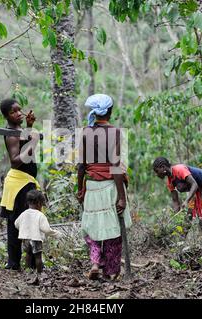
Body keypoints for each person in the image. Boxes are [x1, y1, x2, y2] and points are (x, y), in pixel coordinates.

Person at [77, 93, 132, 281]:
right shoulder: (114, 132)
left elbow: (81, 166)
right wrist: (121, 196)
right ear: (110, 111)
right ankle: (110, 271)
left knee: (92, 227)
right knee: (113, 230)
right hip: (109, 186)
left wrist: (79, 189)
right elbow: (115, 166)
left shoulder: (85, 132)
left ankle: (95, 262)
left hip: (91, 186)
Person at [0, 98, 40, 271]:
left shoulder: (19, 130)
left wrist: (29, 128)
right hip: (19, 183)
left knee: (31, 221)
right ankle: (14, 264)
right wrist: (33, 142)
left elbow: (25, 147)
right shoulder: (10, 134)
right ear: (7, 115)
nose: (18, 113)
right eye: (13, 111)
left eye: (19, 110)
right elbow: (16, 161)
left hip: (26, 181)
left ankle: (31, 263)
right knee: (15, 224)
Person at [152, 157, 202, 234]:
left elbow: (194, 184)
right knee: (189, 215)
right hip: (198, 190)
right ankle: (183, 240)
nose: (156, 174)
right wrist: (177, 216)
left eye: (157, 171)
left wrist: (186, 201)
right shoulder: (170, 182)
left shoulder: (179, 169)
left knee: (200, 213)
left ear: (163, 167)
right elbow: (175, 200)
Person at [14, 190, 62, 283]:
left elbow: (16, 223)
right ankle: (39, 273)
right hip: (36, 238)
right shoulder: (40, 215)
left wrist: (24, 229)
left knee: (28, 254)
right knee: (38, 256)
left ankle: (28, 272)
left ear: (28, 202)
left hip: (25, 238)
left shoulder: (24, 213)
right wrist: (56, 234)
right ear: (39, 203)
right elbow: (46, 229)